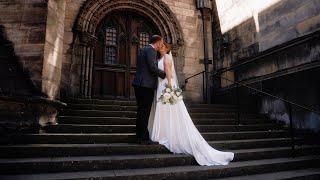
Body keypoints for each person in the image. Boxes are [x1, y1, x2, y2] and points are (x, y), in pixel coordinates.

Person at [148, 42, 234, 166]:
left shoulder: (166, 57)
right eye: (160, 46)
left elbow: (169, 74)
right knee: (164, 111)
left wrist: (170, 89)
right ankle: (164, 132)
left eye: (163, 46)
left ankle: (168, 134)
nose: (161, 48)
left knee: (170, 110)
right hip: (161, 86)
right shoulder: (159, 58)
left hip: (167, 86)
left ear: (167, 49)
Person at [132, 35, 166, 145]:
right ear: (158, 41)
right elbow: (152, 67)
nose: (162, 45)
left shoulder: (143, 49)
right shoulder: (151, 50)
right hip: (146, 85)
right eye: (161, 42)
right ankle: (144, 138)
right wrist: (164, 75)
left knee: (141, 110)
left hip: (139, 83)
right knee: (144, 111)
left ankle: (139, 136)